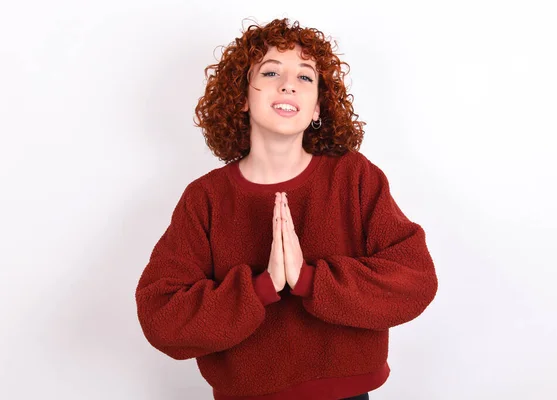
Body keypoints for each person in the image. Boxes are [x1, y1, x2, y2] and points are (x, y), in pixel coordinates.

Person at [135, 17, 438, 400]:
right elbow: (162, 316)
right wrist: (263, 286)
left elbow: (414, 278)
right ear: (242, 97)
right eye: (271, 71)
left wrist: (309, 279)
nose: (288, 83)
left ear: (316, 109)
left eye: (305, 77)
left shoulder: (354, 176)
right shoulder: (205, 198)